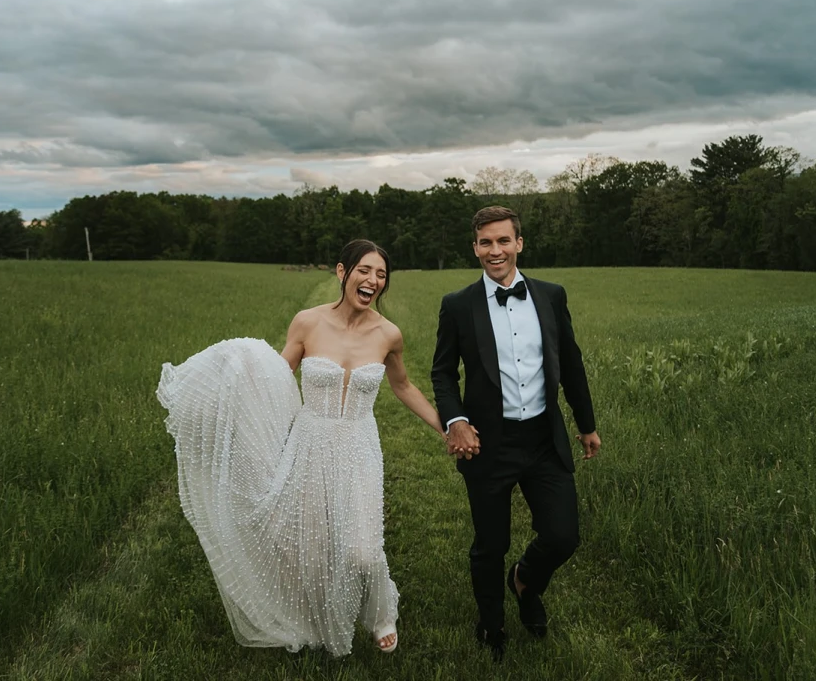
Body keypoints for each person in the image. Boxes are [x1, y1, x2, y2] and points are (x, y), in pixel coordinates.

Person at [157, 239, 444, 657]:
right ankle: (314, 615)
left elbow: (402, 385)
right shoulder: (307, 324)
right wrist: (238, 375)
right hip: (310, 442)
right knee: (313, 543)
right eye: (365, 270)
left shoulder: (388, 334)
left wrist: (445, 426)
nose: (373, 280)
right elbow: (276, 375)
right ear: (342, 272)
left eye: (381, 274)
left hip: (360, 445)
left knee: (363, 550)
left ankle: (381, 613)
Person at [431, 206, 601, 660]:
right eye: (486, 242)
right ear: (475, 248)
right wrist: (456, 420)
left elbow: (571, 363)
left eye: (503, 241)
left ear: (519, 244)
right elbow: (443, 374)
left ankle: (525, 581)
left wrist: (586, 424)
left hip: (544, 439)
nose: (495, 250)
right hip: (489, 444)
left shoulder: (551, 295)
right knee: (491, 544)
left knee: (563, 536)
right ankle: (492, 626)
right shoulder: (458, 305)